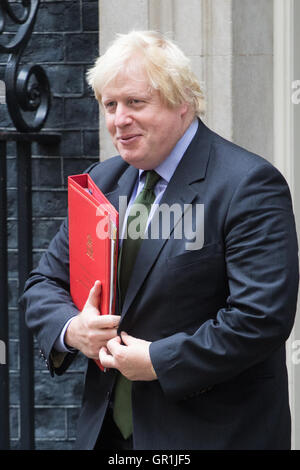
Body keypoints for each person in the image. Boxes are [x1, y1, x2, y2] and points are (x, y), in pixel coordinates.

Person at [20, 30, 299, 450]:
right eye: (110, 105)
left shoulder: (247, 185)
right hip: (107, 436)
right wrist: (73, 329)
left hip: (214, 434)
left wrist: (158, 361)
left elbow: (261, 318)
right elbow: (43, 285)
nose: (119, 119)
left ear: (183, 101)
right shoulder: (102, 180)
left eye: (135, 102)